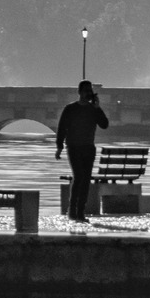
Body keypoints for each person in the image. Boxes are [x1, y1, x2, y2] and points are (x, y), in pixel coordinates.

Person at [56, 80, 111, 221]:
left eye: (90, 91)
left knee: (85, 179)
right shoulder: (70, 109)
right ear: (79, 92)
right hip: (73, 147)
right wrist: (59, 146)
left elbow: (104, 124)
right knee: (79, 176)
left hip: (88, 147)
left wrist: (98, 108)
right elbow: (62, 127)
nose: (88, 93)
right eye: (86, 91)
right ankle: (72, 210)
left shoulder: (93, 109)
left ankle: (80, 212)